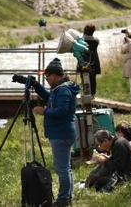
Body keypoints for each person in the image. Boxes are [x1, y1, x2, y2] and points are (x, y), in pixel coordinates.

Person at [30, 57, 80, 207]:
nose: (46, 79)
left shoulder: (63, 90)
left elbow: (62, 110)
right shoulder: (59, 89)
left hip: (61, 133)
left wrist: (44, 111)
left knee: (62, 168)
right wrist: (36, 85)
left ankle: (63, 199)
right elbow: (48, 97)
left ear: (54, 75)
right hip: (61, 133)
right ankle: (66, 197)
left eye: (46, 77)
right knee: (65, 168)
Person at [78, 23, 101, 97]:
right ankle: (93, 93)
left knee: (83, 76)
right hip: (93, 60)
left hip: (83, 59)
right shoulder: (96, 40)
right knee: (93, 78)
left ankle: (86, 93)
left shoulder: (81, 40)